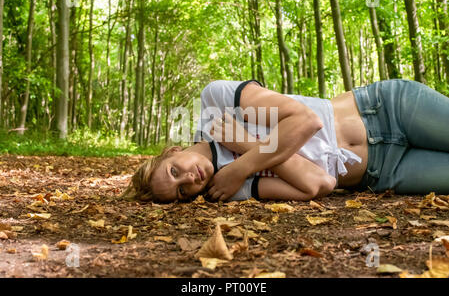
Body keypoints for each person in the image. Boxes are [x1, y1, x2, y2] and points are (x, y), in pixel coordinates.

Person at [121, 79, 449, 203]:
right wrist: (247, 152)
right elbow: (319, 183)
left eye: (175, 171)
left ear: (173, 152)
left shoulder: (215, 104)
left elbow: (308, 120)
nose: (190, 180)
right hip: (385, 171)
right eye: (182, 191)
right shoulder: (226, 187)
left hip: (386, 110)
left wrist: (247, 160)